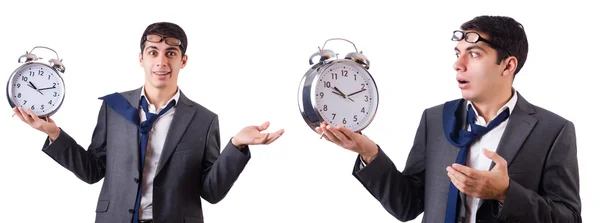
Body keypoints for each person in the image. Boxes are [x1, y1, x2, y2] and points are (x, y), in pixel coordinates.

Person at [316, 15, 581, 223]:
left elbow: (569, 217)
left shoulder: (553, 130)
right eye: (458, 53)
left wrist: (505, 193)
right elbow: (408, 206)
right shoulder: (435, 119)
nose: (458, 64)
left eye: (474, 54)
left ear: (508, 65)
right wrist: (370, 153)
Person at [13, 22, 284, 223]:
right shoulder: (113, 107)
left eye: (170, 53)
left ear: (183, 60)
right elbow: (92, 171)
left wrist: (236, 145)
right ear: (141, 58)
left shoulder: (204, 119)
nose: (161, 61)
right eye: (153, 52)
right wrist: (54, 134)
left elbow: (211, 191)